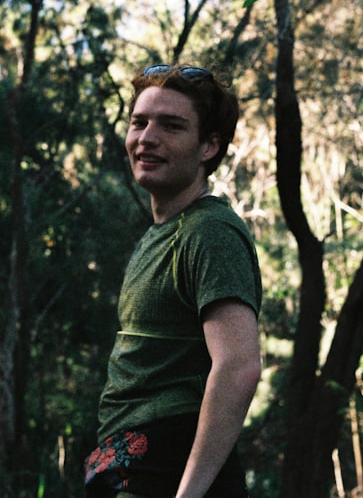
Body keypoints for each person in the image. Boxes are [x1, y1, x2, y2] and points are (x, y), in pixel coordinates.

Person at [85, 64, 263, 498]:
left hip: (168, 470)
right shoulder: (163, 234)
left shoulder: (209, 232)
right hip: (128, 465)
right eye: (139, 122)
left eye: (171, 126)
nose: (147, 138)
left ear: (208, 147)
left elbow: (238, 366)